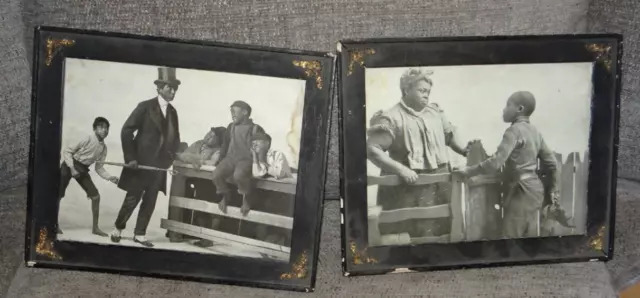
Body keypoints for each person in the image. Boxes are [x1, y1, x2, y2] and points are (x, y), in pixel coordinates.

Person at [366, 68, 471, 239]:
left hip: (440, 187)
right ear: (407, 90)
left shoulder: (436, 113)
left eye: (428, 92)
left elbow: (448, 136)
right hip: (407, 189)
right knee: (409, 237)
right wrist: (402, 170)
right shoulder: (391, 117)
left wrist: (464, 150)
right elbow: (372, 150)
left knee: (444, 235)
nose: (426, 95)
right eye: (422, 90)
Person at [454, 91, 559, 238]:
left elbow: (495, 163)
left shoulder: (513, 131)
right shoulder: (535, 132)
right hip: (534, 191)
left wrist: (468, 170)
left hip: (522, 192)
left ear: (520, 109)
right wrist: (553, 189)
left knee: (509, 238)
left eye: (508, 105)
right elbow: (552, 163)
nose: (504, 109)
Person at [110, 67, 181, 248]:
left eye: (175, 88)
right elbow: (126, 131)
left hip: (158, 168)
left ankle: (140, 234)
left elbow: (175, 140)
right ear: (159, 88)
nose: (172, 91)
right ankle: (118, 228)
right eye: (169, 87)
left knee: (150, 200)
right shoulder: (145, 107)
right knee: (132, 198)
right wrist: (130, 158)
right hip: (140, 164)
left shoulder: (173, 112)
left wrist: (169, 160)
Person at [58, 117, 119, 236]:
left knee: (95, 196)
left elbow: (99, 168)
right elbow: (67, 152)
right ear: (95, 129)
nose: (104, 130)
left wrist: (110, 177)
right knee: (58, 194)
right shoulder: (87, 138)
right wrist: (72, 168)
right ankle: (53, 224)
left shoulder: (103, 148)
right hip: (69, 165)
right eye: (101, 127)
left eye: (106, 128)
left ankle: (95, 228)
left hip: (82, 169)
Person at [173, 126, 227, 248]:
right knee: (196, 207)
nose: (208, 136)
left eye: (213, 136)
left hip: (212, 183)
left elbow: (212, 162)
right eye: (209, 133)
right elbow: (182, 155)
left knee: (210, 209)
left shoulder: (219, 150)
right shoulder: (198, 143)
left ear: (219, 140)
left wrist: (195, 159)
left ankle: (208, 238)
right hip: (196, 181)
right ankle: (190, 233)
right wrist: (190, 158)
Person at [212, 100, 265, 217]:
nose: (232, 115)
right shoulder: (231, 127)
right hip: (230, 159)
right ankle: (225, 196)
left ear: (245, 112)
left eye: (234, 112)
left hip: (246, 160)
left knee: (239, 175)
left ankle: (246, 199)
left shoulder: (256, 129)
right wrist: (220, 162)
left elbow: (262, 148)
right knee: (216, 174)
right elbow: (225, 146)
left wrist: (260, 164)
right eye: (231, 112)